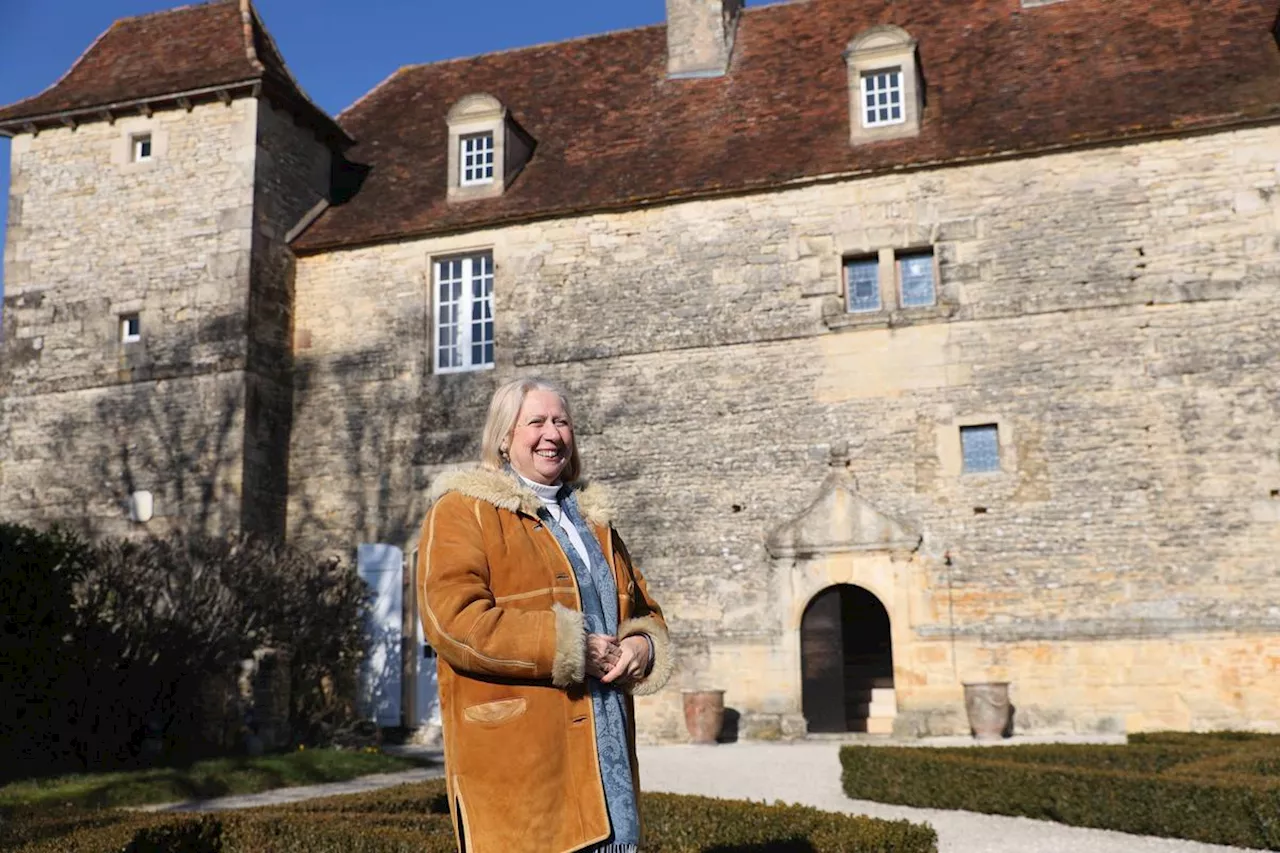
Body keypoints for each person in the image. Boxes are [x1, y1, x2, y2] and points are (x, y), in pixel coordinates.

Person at [417, 377, 674, 853]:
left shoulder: (594, 519)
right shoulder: (462, 511)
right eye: (535, 421)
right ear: (503, 436)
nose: (551, 433)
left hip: (607, 763)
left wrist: (643, 644)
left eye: (561, 421)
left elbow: (643, 609)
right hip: (524, 772)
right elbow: (452, 621)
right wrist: (569, 646)